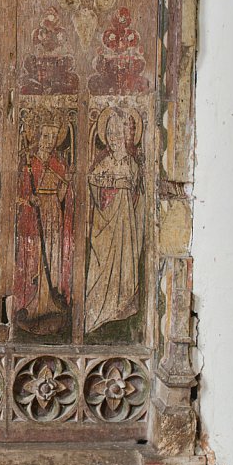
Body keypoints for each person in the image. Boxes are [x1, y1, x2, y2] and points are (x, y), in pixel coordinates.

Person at [14, 109, 74, 335]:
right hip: (32, 217)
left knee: (52, 257)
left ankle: (49, 302)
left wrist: (66, 185)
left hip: (51, 217)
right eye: (45, 136)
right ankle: (30, 303)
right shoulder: (28, 161)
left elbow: (60, 198)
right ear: (37, 136)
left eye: (53, 136)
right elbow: (16, 195)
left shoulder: (58, 163)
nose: (49, 141)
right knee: (33, 259)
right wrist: (29, 199)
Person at [84, 107, 144, 333]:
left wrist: (115, 183)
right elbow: (93, 182)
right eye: (109, 134)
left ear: (126, 136)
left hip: (124, 223)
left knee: (123, 262)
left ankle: (121, 305)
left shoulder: (131, 163)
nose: (113, 139)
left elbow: (136, 191)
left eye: (118, 134)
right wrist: (104, 183)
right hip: (104, 224)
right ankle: (100, 311)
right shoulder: (103, 161)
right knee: (100, 265)